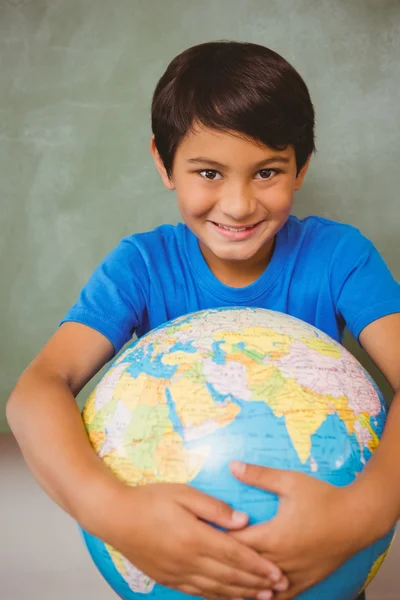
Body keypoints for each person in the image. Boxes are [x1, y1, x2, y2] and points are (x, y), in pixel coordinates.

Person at [7, 40, 400, 600]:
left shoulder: (340, 257)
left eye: (267, 171)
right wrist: (115, 513)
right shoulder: (141, 267)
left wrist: (362, 514)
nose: (239, 205)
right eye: (209, 172)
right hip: (179, 574)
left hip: (322, 572)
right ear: (164, 164)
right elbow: (34, 392)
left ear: (302, 167)